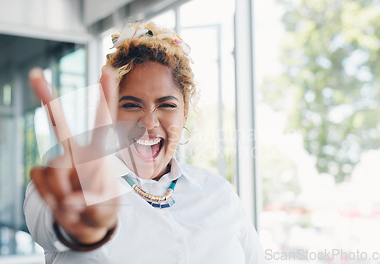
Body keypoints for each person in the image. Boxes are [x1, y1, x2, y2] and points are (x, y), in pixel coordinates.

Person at [24, 21, 264, 263]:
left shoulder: (218, 192)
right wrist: (86, 222)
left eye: (167, 105)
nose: (149, 122)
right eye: (130, 105)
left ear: (185, 113)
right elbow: (54, 222)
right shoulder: (73, 182)